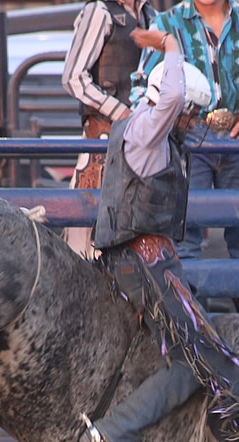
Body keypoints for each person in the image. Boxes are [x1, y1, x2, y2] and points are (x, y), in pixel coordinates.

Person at [84, 28, 239, 442]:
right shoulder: (147, 128)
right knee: (209, 362)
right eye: (191, 114)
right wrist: (171, 47)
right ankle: (116, 434)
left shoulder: (141, 129)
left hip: (145, 261)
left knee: (199, 359)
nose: (192, 121)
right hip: (145, 264)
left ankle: (125, 435)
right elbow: (174, 94)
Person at [133, 0, 239, 314]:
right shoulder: (167, 22)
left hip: (237, 139)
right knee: (184, 237)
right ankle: (196, 331)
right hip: (187, 138)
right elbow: (142, 84)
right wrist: (164, 124)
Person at [62, 0, 156, 255]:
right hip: (104, 138)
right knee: (91, 223)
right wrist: (121, 111)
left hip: (142, 138)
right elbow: (73, 77)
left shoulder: (150, 14)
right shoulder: (99, 11)